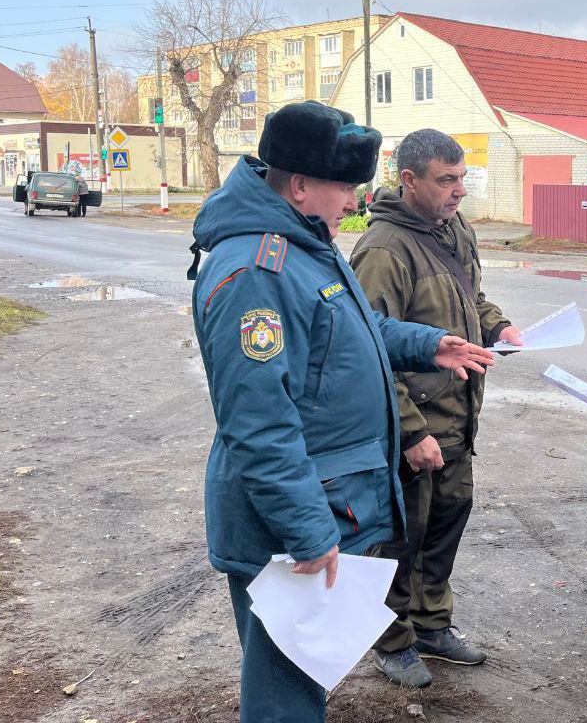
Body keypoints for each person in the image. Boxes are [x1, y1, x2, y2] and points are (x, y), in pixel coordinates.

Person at [188, 102, 495, 723]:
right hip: (285, 528)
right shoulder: (256, 271)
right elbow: (259, 422)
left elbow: (353, 326)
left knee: (305, 681)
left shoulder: (304, 244)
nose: (353, 202)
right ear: (300, 186)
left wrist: (427, 344)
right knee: (285, 695)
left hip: (321, 505)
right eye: (344, 188)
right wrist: (307, 530)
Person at [350, 129, 522, 688]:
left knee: (444, 530)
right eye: (446, 180)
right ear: (410, 180)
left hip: (458, 420)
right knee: (401, 539)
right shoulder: (383, 250)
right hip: (416, 427)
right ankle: (390, 640)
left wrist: (498, 324)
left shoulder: (453, 230)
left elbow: (469, 296)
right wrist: (408, 432)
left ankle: (430, 625)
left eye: (462, 178)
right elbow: (368, 354)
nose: (459, 191)